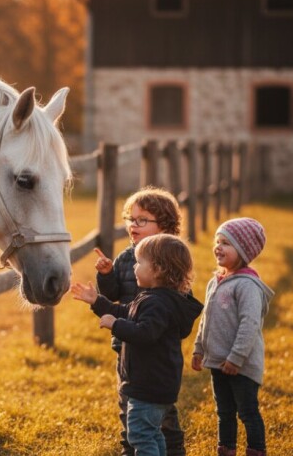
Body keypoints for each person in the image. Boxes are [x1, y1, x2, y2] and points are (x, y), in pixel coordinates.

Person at [71, 234, 203, 456]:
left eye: (140, 262)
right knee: (152, 433)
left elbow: (145, 333)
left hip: (149, 385)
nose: (134, 266)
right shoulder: (152, 297)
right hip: (155, 383)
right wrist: (97, 302)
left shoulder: (158, 303)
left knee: (140, 434)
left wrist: (116, 326)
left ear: (158, 270)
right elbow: (126, 312)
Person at [93, 186, 186, 456]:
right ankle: (130, 448)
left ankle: (173, 450)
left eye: (142, 220)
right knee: (128, 403)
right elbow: (113, 295)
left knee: (161, 410)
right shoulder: (125, 257)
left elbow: (179, 304)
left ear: (165, 226)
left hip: (157, 352)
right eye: (131, 219)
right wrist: (107, 275)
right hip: (125, 347)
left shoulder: (171, 259)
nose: (133, 225)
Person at [191, 217, 275, 456]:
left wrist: (236, 357)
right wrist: (199, 349)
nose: (218, 246)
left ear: (243, 251)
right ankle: (226, 449)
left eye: (226, 243)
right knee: (224, 411)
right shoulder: (214, 282)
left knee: (247, 411)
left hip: (241, 365)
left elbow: (249, 324)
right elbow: (206, 320)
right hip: (218, 361)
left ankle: (256, 449)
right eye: (218, 241)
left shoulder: (247, 286)